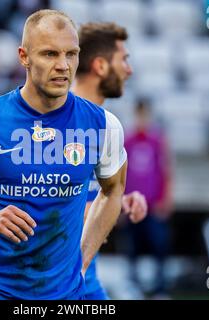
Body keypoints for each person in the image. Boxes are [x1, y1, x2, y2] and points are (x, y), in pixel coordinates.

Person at [0, 9, 128, 300]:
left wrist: (83, 260)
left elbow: (114, 190)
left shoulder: (103, 125)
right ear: (24, 56)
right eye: (50, 54)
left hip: (63, 296)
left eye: (71, 54)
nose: (63, 65)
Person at [72, 22, 148, 300]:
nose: (129, 70)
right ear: (101, 66)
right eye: (124, 60)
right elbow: (37, 202)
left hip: (84, 273)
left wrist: (118, 201)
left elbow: (89, 192)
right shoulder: (56, 124)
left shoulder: (106, 127)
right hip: (50, 278)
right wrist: (104, 208)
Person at [123, 99, 174, 298]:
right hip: (131, 205)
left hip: (153, 205)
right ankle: (133, 284)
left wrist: (166, 199)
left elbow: (166, 170)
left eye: (145, 115)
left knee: (159, 244)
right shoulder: (128, 140)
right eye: (140, 115)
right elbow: (120, 174)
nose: (142, 119)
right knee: (131, 246)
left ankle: (160, 287)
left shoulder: (158, 141)